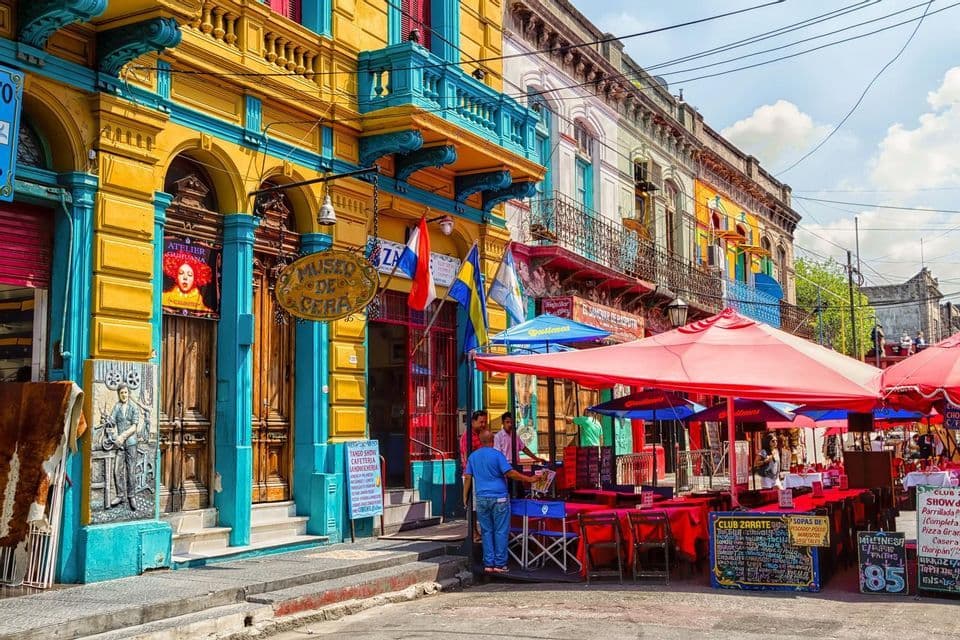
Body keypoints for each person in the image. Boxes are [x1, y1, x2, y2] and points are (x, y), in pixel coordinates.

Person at [462, 430, 538, 574]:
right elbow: (509, 473)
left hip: (482, 498)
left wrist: (464, 496)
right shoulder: (497, 455)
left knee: (486, 531)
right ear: (493, 440)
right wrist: (529, 479)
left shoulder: (473, 457)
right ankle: (500, 564)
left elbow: (467, 477)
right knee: (501, 531)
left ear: (480, 440)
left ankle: (488, 564)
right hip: (499, 498)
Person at [104, 383, 142, 510]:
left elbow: (134, 427)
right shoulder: (117, 407)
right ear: (119, 394)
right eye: (121, 393)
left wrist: (122, 436)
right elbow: (112, 421)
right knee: (117, 470)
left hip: (131, 443)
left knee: (130, 471)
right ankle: (120, 495)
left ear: (129, 393)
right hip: (119, 445)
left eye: (125, 392)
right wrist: (108, 422)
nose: (124, 395)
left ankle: (131, 496)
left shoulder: (133, 408)